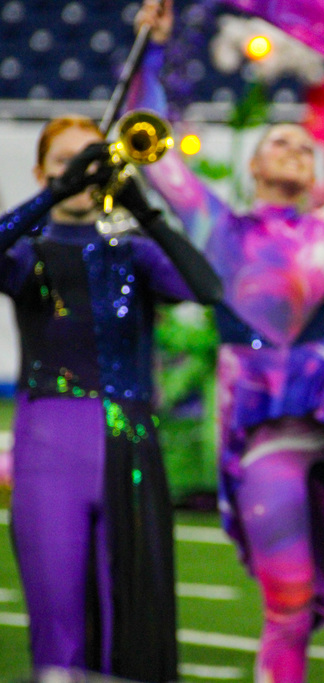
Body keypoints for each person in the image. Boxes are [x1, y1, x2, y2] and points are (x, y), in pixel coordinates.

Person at [129, 3, 324, 681]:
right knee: (285, 604)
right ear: (255, 163)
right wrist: (149, 48)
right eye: (278, 141)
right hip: (266, 439)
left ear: (315, 173)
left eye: (302, 145)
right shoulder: (214, 226)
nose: (292, 148)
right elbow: (150, 143)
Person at [0, 115, 221, 681]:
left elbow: (208, 288)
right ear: (41, 170)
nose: (78, 175)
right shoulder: (28, 253)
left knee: (133, 613)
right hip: (49, 441)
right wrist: (55, 192)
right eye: (62, 162)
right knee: (58, 616)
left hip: (130, 440)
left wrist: (144, 211)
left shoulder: (133, 251)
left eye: (86, 163)